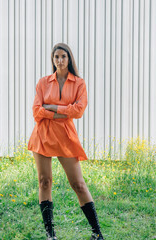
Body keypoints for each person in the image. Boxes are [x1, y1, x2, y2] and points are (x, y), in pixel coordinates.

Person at [28, 43, 104, 240]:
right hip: (43, 135)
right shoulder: (43, 82)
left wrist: (52, 107)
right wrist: (62, 112)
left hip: (66, 137)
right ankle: (50, 234)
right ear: (52, 60)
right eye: (56, 57)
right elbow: (37, 111)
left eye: (63, 56)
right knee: (44, 182)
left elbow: (78, 111)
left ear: (69, 59)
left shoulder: (79, 83)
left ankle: (97, 233)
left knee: (78, 184)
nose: (60, 60)